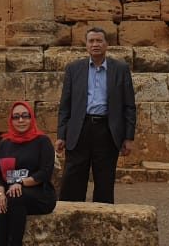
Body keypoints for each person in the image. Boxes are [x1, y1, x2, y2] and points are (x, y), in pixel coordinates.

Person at [55, 27, 136, 203]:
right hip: (79, 129)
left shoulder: (120, 69)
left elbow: (129, 105)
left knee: (105, 180)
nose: (95, 44)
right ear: (86, 45)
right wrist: (61, 134)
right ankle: (71, 221)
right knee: (73, 179)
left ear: (106, 44)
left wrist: (128, 137)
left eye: (99, 40)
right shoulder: (73, 69)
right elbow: (65, 105)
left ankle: (102, 221)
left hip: (107, 130)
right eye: (91, 41)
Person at [0, 102, 56, 246]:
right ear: (11, 120)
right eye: (16, 117)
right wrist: (0, 194)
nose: (21, 120)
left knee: (15, 197)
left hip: (39, 194)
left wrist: (20, 183)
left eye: (25, 116)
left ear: (31, 118)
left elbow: (44, 173)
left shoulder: (42, 141)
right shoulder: (5, 144)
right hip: (10, 194)